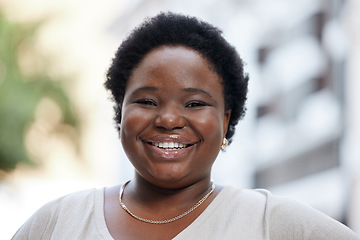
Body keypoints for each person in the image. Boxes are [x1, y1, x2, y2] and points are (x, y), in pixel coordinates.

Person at [12, 12, 359, 240]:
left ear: (225, 119)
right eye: (147, 101)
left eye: (195, 104)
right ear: (122, 112)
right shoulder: (57, 223)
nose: (168, 119)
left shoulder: (273, 224)